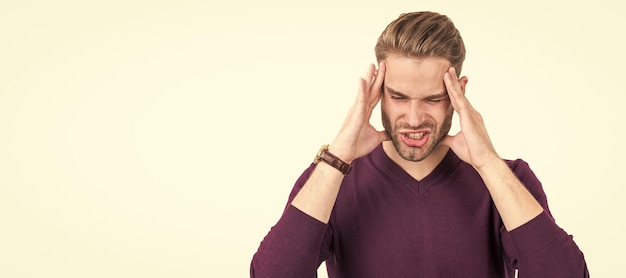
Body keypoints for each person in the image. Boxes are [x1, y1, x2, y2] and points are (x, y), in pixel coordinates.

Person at [250, 11, 589, 277]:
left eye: (432, 99)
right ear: (376, 92)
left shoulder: (507, 178)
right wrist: (338, 156)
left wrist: (487, 163)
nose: (413, 119)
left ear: (458, 94)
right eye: (398, 97)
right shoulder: (330, 178)